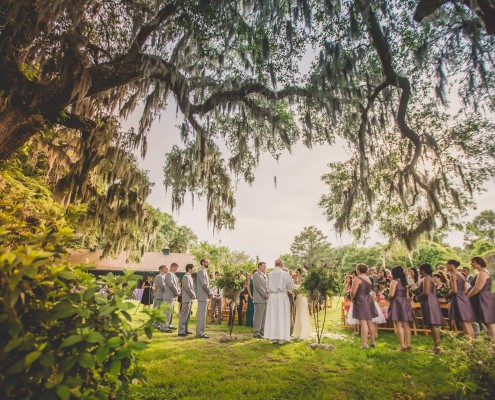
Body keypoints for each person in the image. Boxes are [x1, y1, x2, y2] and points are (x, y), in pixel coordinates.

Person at [264, 259, 297, 344]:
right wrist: (299, 286)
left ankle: (274, 338)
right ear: (282, 265)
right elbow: (291, 285)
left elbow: (267, 286)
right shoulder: (284, 273)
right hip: (281, 296)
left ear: (275, 265)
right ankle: (281, 338)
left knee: (273, 316)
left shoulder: (270, 274)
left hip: (272, 298)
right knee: (282, 316)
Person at [417, 263, 443, 355]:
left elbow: (426, 292)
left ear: (423, 270)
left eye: (420, 269)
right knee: (432, 325)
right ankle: (435, 347)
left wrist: (417, 297)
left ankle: (438, 348)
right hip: (432, 301)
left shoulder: (427, 278)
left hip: (429, 301)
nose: (419, 271)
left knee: (433, 325)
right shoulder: (430, 278)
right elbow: (434, 293)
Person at [445, 260, 475, 338]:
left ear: (452, 265)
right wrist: (462, 295)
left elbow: (454, 290)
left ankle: (469, 345)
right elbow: (465, 290)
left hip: (458, 299)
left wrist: (447, 295)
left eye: (447, 265)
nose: (446, 267)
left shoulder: (453, 275)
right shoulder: (462, 275)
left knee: (464, 322)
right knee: (468, 322)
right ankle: (473, 343)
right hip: (464, 298)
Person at [351, 263, 378, 349]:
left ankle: (364, 344)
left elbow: (353, 292)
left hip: (361, 301)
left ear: (358, 270)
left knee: (363, 323)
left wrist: (352, 299)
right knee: (370, 322)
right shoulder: (368, 279)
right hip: (368, 300)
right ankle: (373, 342)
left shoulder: (357, 279)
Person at [467, 256, 495, 338]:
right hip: (483, 298)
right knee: (488, 323)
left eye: (473, 262)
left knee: (489, 323)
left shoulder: (482, 273)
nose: (471, 264)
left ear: (479, 263)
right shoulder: (483, 272)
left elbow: (477, 288)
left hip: (483, 299)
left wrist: (467, 297)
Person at [388, 266, 414, 351]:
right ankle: (408, 344)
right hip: (405, 301)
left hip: (397, 302)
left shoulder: (394, 281)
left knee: (398, 324)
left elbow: (391, 294)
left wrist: (388, 298)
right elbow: (407, 294)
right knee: (406, 324)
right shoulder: (404, 282)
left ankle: (402, 345)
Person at [293, 268, 312, 340]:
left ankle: (303, 331)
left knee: (302, 313)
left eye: (297, 272)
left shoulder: (302, 280)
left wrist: (297, 291)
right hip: (298, 298)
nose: (296, 273)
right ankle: (299, 331)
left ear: (300, 273)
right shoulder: (296, 280)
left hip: (302, 297)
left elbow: (303, 290)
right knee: (298, 313)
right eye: (296, 272)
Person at [178, 263, 196, 337]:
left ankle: (185, 329)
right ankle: (181, 331)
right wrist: (193, 295)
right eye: (193, 268)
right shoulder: (186, 277)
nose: (193, 270)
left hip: (189, 299)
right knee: (184, 315)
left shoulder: (190, 276)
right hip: (186, 298)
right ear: (189, 268)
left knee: (188, 315)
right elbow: (187, 288)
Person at [196, 258, 212, 339]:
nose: (208, 264)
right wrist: (209, 292)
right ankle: (200, 333)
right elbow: (204, 284)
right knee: (201, 316)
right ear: (202, 263)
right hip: (202, 296)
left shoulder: (204, 271)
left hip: (204, 296)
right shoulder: (201, 271)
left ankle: (200, 332)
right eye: (206, 262)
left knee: (203, 315)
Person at [163, 262, 180, 333]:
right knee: (167, 312)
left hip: (173, 296)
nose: (176, 269)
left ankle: (169, 324)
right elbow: (171, 284)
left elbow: (177, 285)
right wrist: (176, 291)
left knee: (171, 312)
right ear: (172, 267)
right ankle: (164, 327)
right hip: (169, 296)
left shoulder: (174, 275)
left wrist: (179, 290)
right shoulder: (168, 274)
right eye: (176, 268)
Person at [253, 262, 268, 338]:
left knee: (264, 317)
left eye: (265, 266)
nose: (265, 267)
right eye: (263, 266)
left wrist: (268, 293)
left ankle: (262, 332)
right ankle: (256, 333)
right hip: (259, 298)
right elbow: (258, 286)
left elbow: (266, 286)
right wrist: (265, 295)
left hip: (265, 300)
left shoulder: (265, 275)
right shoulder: (256, 274)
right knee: (258, 317)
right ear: (259, 266)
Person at [152, 265, 168, 331]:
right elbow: (162, 286)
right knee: (158, 311)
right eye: (166, 268)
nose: (167, 269)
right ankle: (155, 324)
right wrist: (168, 292)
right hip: (159, 296)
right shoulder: (159, 276)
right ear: (161, 269)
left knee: (161, 311)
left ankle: (158, 324)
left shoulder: (164, 276)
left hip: (163, 296)